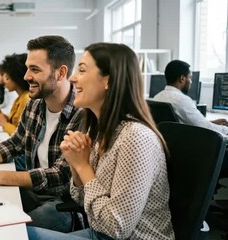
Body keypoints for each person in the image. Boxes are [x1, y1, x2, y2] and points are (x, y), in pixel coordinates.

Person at [27, 43, 174, 239]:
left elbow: (117, 227)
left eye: (82, 70)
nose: (72, 78)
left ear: (109, 81)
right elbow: (80, 198)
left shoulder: (136, 137)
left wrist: (84, 166)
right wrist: (76, 166)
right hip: (100, 232)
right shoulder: (99, 129)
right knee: (16, 232)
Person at [0, 35, 83, 232]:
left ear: (61, 73)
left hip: (61, 204)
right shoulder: (35, 104)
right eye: (28, 67)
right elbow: (16, 143)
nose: (26, 76)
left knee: (4, 231)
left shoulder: (82, 113)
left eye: (35, 69)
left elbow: (60, 175)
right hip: (33, 194)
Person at [154, 60, 228, 135]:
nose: (191, 81)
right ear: (182, 79)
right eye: (190, 77)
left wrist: (210, 122)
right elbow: (205, 128)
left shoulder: (157, 97)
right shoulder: (182, 100)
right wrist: (225, 129)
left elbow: (193, 123)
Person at [0, 53, 30, 135]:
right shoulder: (20, 98)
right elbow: (12, 123)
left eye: (7, 76)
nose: (4, 80)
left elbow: (21, 136)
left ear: (16, 77)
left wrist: (4, 124)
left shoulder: (27, 99)